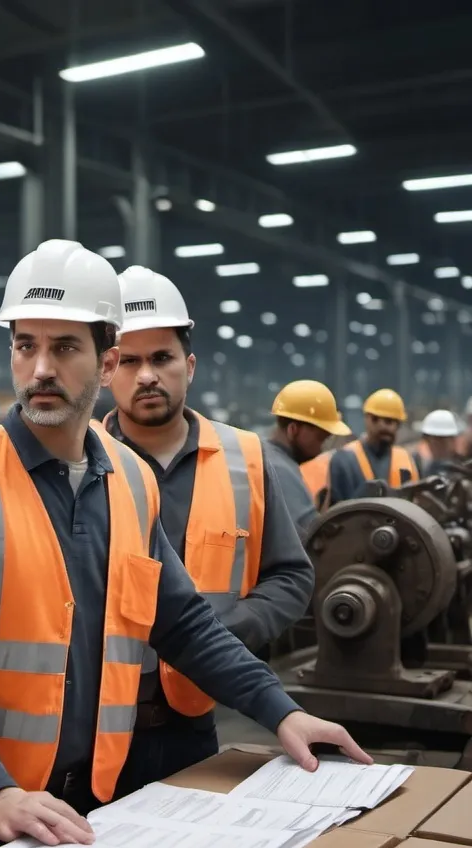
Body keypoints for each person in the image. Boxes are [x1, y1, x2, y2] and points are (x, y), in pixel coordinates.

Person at [0, 239, 369, 848]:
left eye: (65, 347)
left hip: (70, 803)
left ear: (105, 362)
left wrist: (282, 711)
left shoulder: (131, 482)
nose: (41, 368)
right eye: (26, 345)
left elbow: (185, 624)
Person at [103, 266, 317, 786]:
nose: (146, 375)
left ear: (189, 365)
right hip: (90, 725)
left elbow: (291, 576)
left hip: (194, 722)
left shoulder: (245, 458)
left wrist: (230, 631)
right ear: (107, 369)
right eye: (129, 360)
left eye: (162, 358)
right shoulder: (80, 463)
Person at [268, 380, 351, 532]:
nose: (321, 449)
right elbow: (308, 539)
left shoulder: (269, 459)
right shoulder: (280, 470)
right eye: (321, 438)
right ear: (293, 430)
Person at [328, 389, 420, 503]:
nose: (384, 427)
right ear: (367, 419)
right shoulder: (345, 459)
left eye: (390, 421)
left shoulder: (406, 459)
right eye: (376, 419)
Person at [419, 409, 460, 476]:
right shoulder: (421, 469)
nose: (438, 446)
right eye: (434, 440)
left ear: (453, 440)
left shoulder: (463, 470)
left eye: (442, 440)